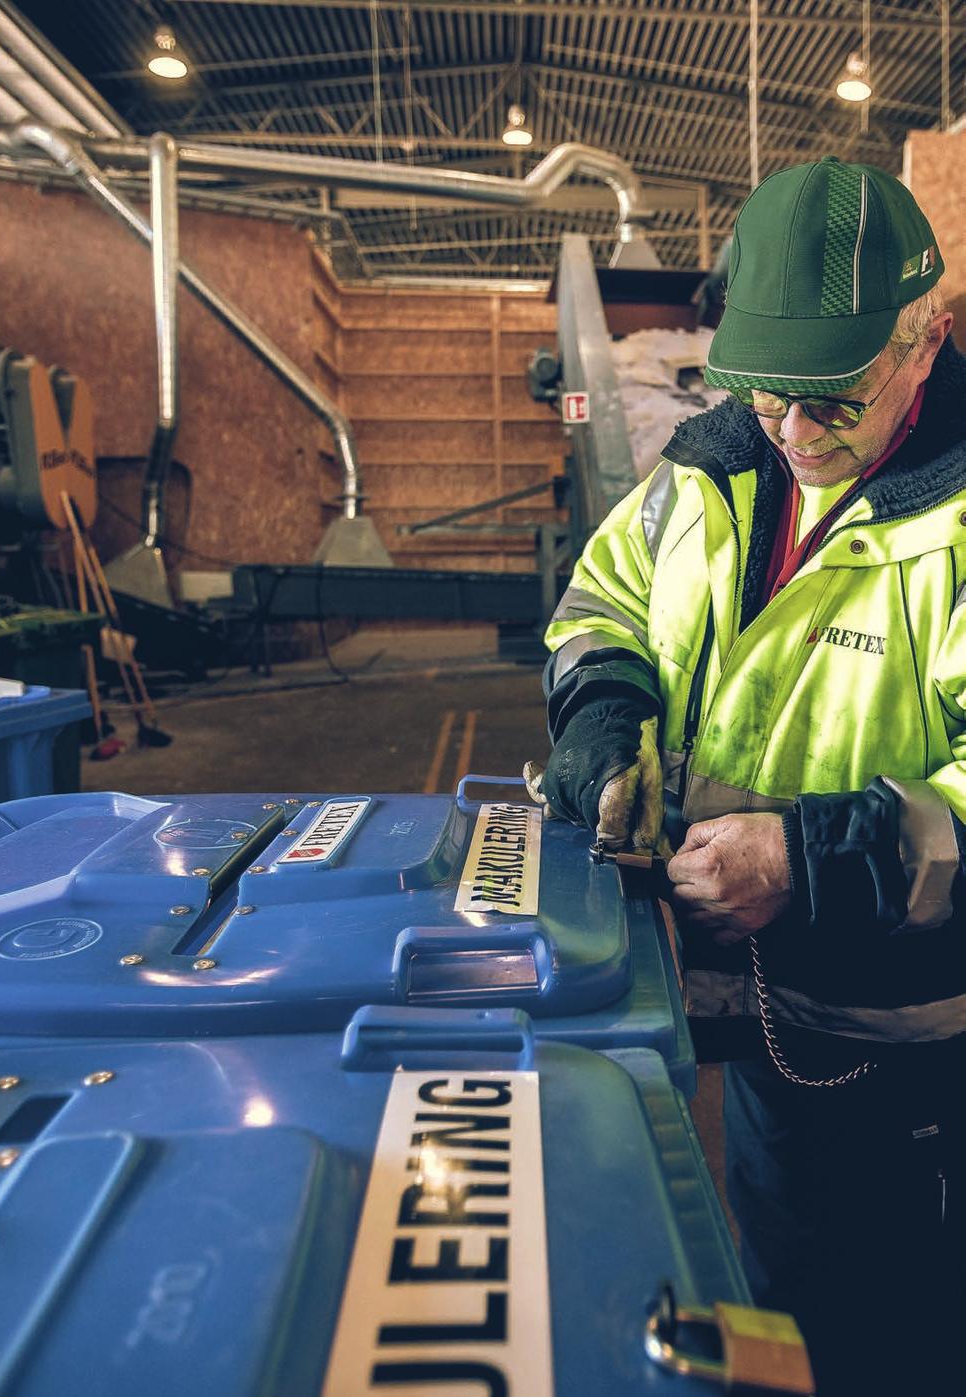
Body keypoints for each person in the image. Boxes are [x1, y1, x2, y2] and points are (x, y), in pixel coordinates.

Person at [529, 156, 966, 1394]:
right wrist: (604, 718)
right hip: (764, 1021)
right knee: (788, 1309)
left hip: (912, 1049)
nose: (792, 429)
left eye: (829, 398)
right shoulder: (717, 463)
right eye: (765, 391)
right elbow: (601, 601)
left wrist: (816, 859)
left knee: (905, 1339)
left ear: (922, 343)